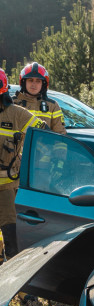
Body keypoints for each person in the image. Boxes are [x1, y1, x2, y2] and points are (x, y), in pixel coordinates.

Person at [0, 69, 42, 258]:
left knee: (11, 236)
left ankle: (12, 279)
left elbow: (43, 131)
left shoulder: (16, 114)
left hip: (7, 187)